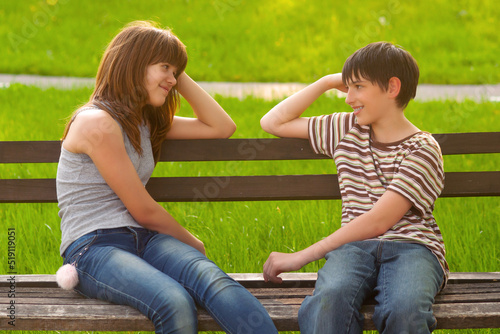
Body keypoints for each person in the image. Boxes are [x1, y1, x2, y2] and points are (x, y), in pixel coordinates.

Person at [56, 21, 277, 334]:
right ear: (134, 64)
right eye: (165, 68)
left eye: (176, 72)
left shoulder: (144, 121)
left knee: (215, 282)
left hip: (145, 238)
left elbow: (221, 127)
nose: (172, 79)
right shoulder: (97, 123)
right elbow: (142, 209)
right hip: (94, 248)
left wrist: (173, 68)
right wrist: (193, 243)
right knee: (174, 300)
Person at [261, 42, 448, 333]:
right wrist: (325, 82)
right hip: (353, 249)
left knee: (405, 310)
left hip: (412, 248)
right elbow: (272, 122)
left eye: (358, 87)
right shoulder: (346, 128)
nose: (348, 98)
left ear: (392, 87)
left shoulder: (423, 148)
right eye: (347, 87)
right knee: (329, 302)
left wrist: (301, 256)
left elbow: (379, 220)